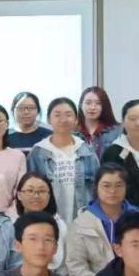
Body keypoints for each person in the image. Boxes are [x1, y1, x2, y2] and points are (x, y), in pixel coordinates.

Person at [65, 164, 139, 276]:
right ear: (96, 187)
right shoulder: (81, 223)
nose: (112, 191)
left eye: (118, 185)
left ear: (126, 187)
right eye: (106, 186)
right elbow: (76, 266)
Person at [27, 97, 99, 226]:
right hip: (48, 221)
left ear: (76, 119)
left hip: (83, 221)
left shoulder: (86, 151)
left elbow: (97, 189)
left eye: (68, 115)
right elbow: (29, 191)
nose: (63, 119)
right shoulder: (38, 152)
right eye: (57, 115)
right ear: (49, 119)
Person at [0, 212, 81, 276]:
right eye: (32, 239)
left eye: (47, 240)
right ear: (18, 245)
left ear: (55, 248)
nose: (41, 246)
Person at [11, 172, 67, 273]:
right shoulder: (9, 224)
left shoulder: (59, 225)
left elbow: (62, 265)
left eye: (42, 191)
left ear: (49, 195)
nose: (36, 195)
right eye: (30, 191)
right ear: (19, 195)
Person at [77, 86, 122, 158]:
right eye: (88, 103)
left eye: (98, 103)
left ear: (104, 106)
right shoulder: (73, 133)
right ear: (80, 105)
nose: (92, 107)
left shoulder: (117, 132)